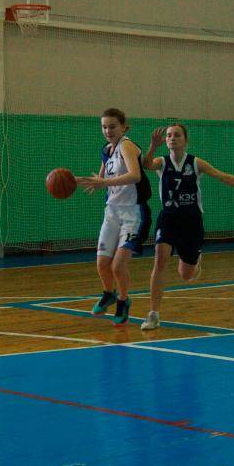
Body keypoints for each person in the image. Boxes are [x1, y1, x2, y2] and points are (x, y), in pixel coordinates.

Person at [139, 124, 234, 330]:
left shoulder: (195, 163)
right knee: (160, 260)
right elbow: (146, 164)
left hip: (191, 221)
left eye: (177, 135)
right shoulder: (162, 162)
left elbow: (223, 176)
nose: (172, 138)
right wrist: (152, 146)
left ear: (185, 140)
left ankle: (196, 262)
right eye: (169, 135)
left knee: (186, 275)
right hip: (168, 218)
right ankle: (154, 314)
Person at [77, 108, 152, 326]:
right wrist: (74, 180)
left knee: (118, 266)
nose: (107, 131)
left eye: (112, 126)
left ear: (123, 127)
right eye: (104, 127)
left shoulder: (126, 146)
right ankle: (108, 293)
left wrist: (104, 182)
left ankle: (123, 300)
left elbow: (135, 175)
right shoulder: (106, 150)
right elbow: (99, 179)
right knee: (102, 263)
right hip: (112, 212)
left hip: (133, 213)